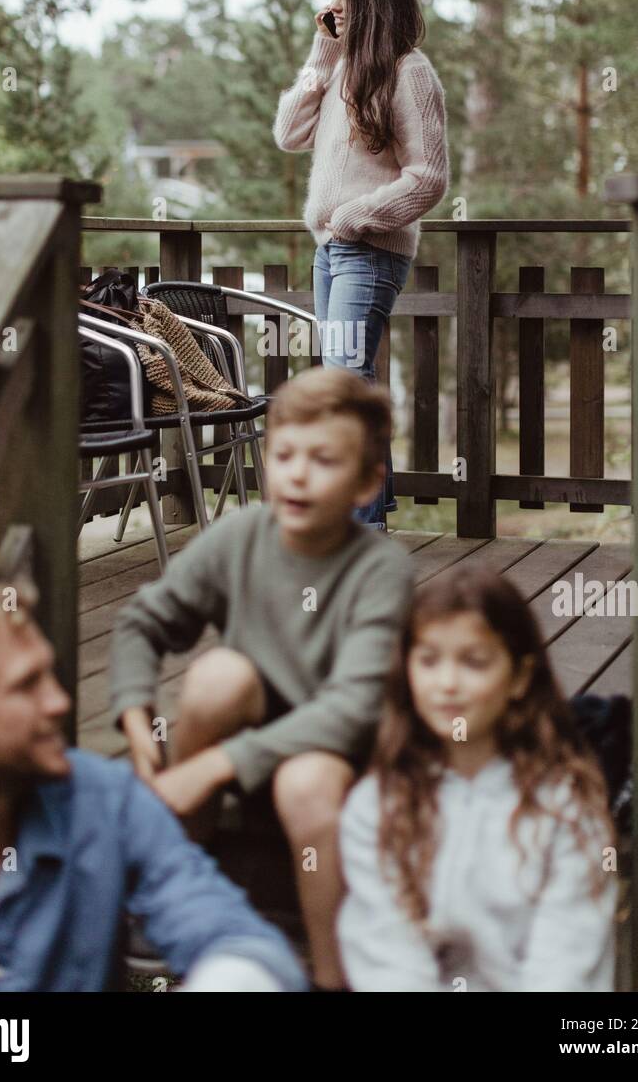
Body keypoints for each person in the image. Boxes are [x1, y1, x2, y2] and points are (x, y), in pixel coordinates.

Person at [111, 365, 416, 990]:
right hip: (253, 750)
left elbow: (353, 709)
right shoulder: (240, 536)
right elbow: (142, 622)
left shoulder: (379, 569)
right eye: (283, 456)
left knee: (306, 780)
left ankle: (334, 974)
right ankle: (175, 889)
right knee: (217, 676)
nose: (298, 474)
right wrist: (136, 713)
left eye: (324, 461)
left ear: (366, 485)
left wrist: (215, 765)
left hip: (344, 768)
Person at [0, 576, 306, 992]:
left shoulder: (104, 801)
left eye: (51, 675)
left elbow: (242, 941)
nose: (60, 702)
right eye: (27, 686)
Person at [337, 566, 618, 992]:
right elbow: (387, 957)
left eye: (474, 662)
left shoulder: (565, 804)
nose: (447, 684)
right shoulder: (376, 804)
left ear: (520, 677)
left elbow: (567, 958)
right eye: (429, 660)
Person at [272, 0, 450, 532]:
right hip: (332, 254)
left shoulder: (411, 72)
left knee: (345, 385)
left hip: (368, 252)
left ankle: (361, 531)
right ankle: (371, 517)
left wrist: (356, 215)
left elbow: (429, 178)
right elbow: (287, 134)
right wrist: (321, 56)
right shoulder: (345, 66)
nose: (334, 5)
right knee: (348, 383)